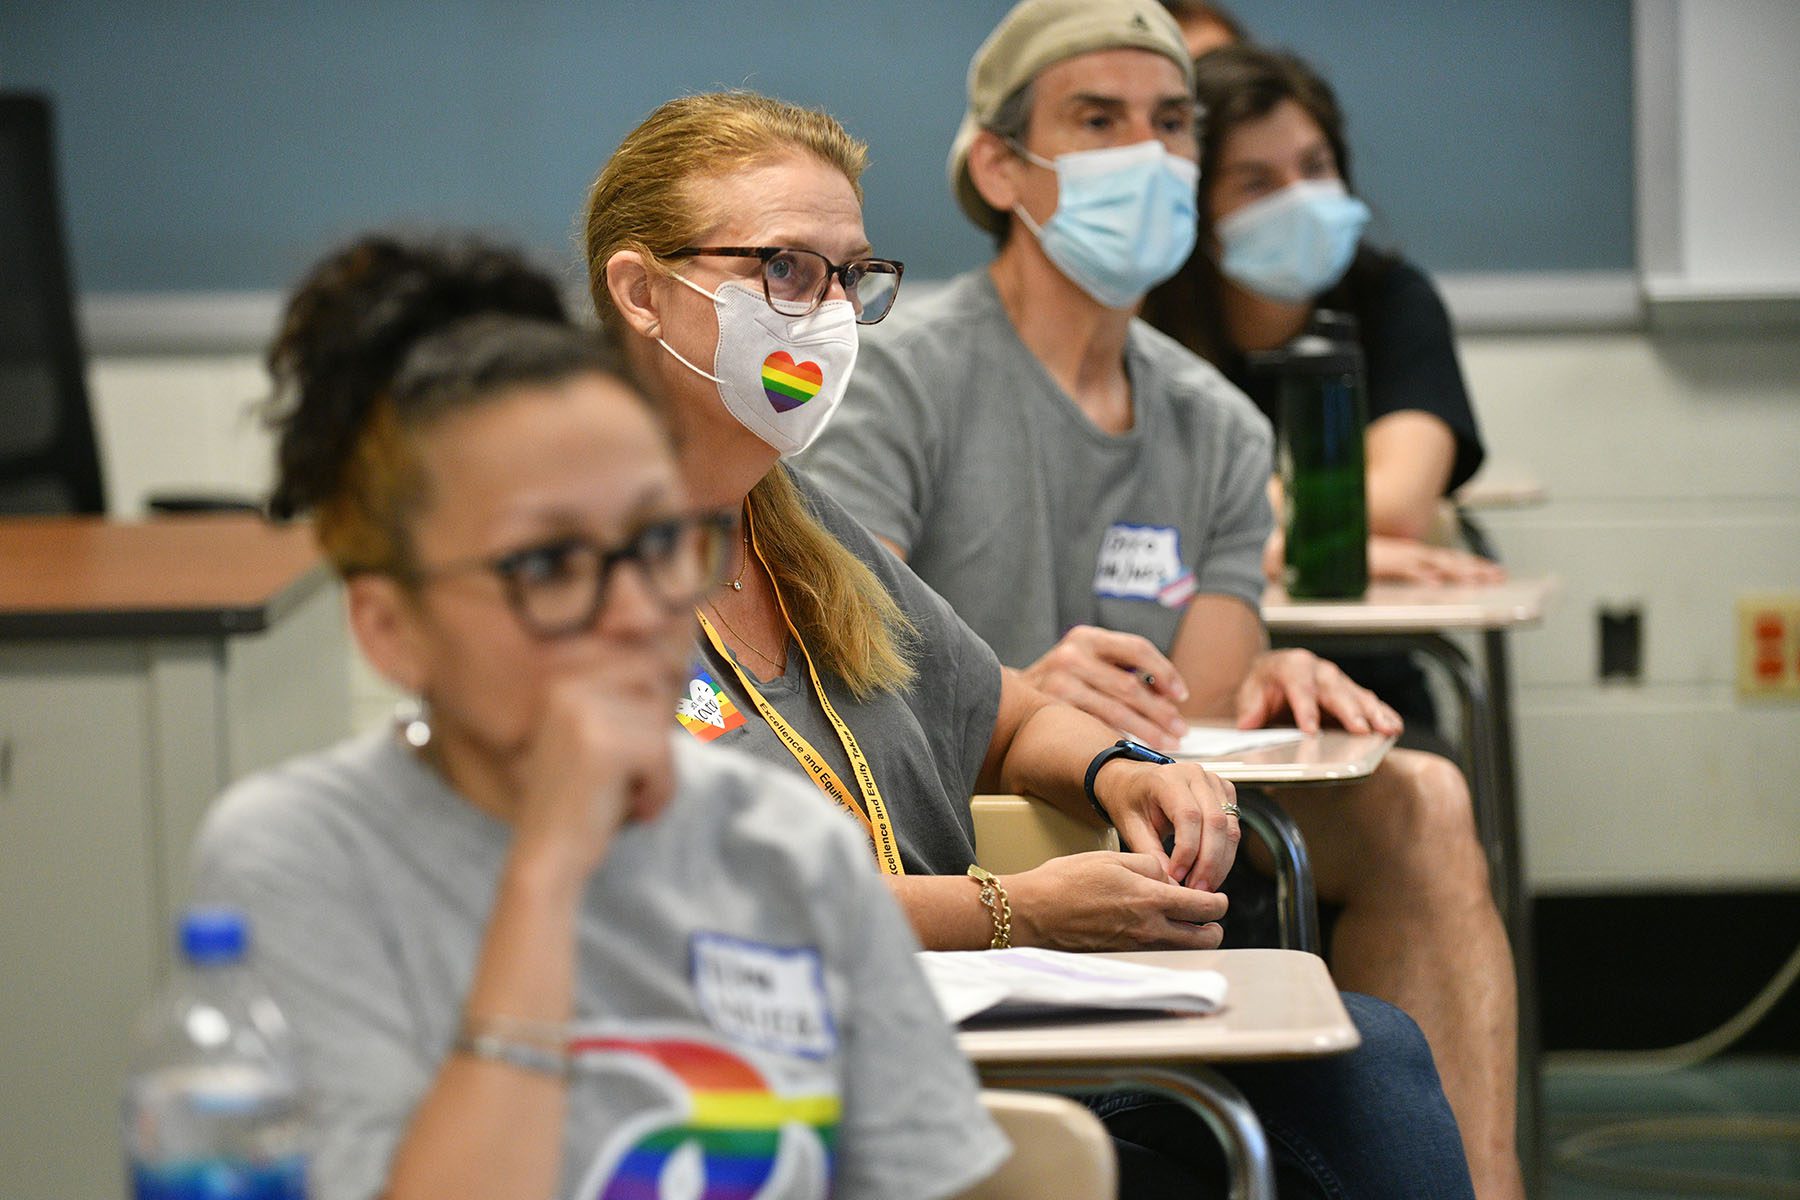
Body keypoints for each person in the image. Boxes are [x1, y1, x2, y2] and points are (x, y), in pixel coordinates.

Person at [585, 86, 1475, 1198]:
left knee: (1366, 1056)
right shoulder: (566, 573)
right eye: (784, 270)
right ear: (640, 293)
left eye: (850, 276)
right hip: (750, 1084)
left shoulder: (797, 522)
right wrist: (1020, 913)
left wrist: (1119, 770)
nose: (822, 313)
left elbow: (1006, 712)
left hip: (950, 1036)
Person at [795, 2, 1524, 1197]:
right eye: (1099, 118)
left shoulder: (1222, 427)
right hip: (970, 826)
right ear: (998, 164)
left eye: (1173, 122)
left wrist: (1276, 684)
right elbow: (852, 678)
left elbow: (1212, 687)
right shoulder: (894, 388)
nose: (1149, 153)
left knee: (1422, 800)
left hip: (1159, 813)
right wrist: (1029, 694)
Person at [188, 234, 1009, 1200]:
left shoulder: (785, 849)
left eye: (660, 541)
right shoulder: (307, 855)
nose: (634, 611)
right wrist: (548, 873)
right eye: (549, 566)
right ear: (390, 628)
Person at [1142, 43, 1503, 732]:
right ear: (1196, 210)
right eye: (1256, 182)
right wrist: (1289, 539)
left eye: (1315, 167)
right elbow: (1115, 528)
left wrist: (1217, 530)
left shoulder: (1393, 300)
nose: (1299, 199)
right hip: (1174, 684)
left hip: (1367, 679)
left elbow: (1395, 506)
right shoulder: (1144, 322)